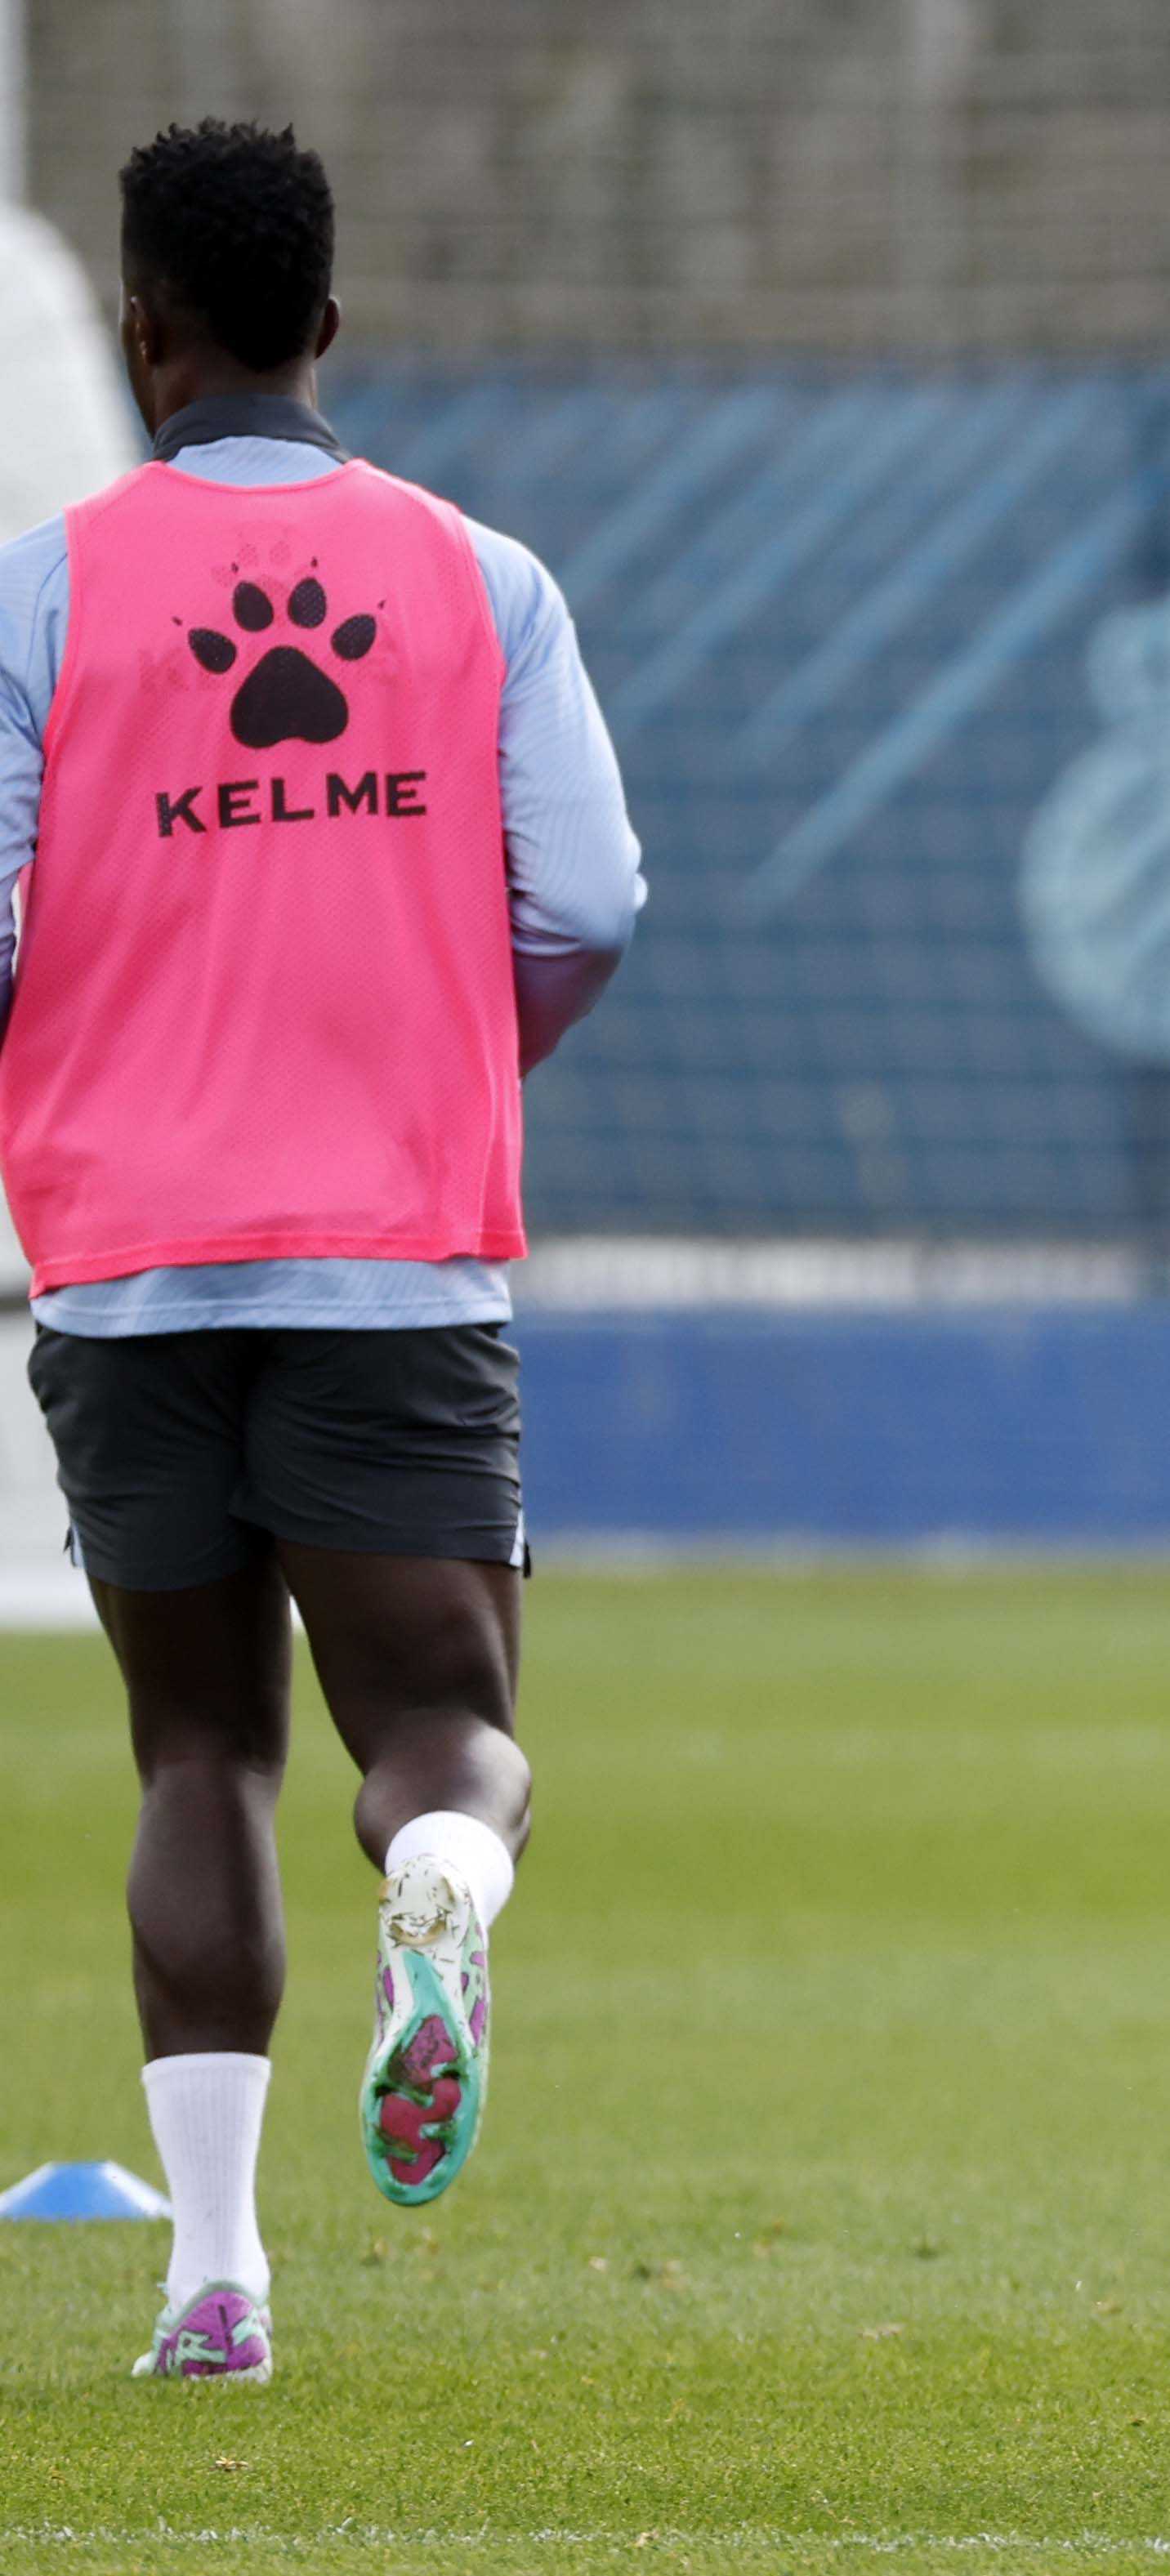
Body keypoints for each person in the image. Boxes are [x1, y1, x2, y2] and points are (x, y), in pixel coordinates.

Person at [0, 123, 644, 2383]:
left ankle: (216, 2277)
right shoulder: (484, 582)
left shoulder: (41, 591)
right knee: (443, 1729)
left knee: (199, 1751)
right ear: (330, 327)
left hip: (128, 1259)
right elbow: (591, 899)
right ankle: (442, 1879)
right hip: (395, 1249)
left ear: (142, 333)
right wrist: (454, 1045)